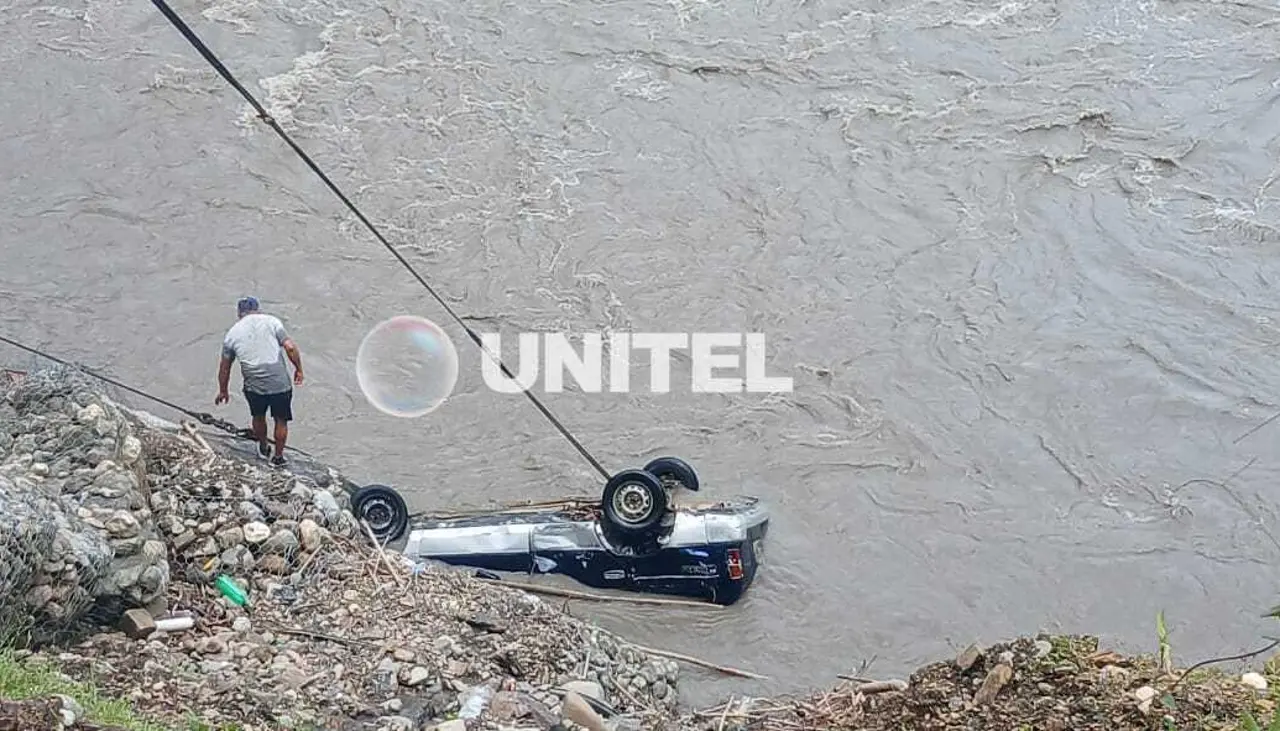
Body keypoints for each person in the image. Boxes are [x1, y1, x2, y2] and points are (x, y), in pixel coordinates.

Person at [215, 296, 304, 467]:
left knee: (258, 416)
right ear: (258, 309)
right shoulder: (272, 322)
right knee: (281, 420)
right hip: (280, 384)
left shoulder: (231, 334)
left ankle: (263, 447)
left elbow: (225, 367)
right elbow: (290, 347)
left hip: (254, 385)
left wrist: (223, 390)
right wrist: (299, 369)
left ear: (239, 314)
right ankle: (278, 457)